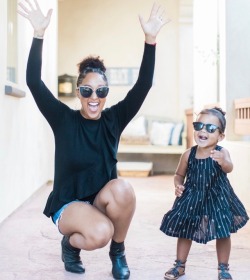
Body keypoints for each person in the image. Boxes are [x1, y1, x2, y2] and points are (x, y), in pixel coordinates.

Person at [18, 0, 168, 279]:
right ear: (78, 92)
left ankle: (118, 252)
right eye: (87, 91)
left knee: (123, 189)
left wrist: (150, 40)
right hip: (68, 205)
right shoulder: (63, 119)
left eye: (101, 91)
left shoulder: (114, 120)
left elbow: (143, 85)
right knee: (100, 233)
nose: (94, 98)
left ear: (107, 92)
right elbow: (33, 83)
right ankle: (70, 244)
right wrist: (38, 35)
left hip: (98, 201)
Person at [160, 107, 249, 280]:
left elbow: (229, 167)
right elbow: (179, 175)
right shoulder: (188, 154)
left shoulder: (222, 152)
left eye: (210, 128)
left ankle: (223, 268)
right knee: (185, 231)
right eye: (199, 125)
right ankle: (180, 265)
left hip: (218, 198)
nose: (203, 131)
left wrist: (223, 161)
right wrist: (178, 185)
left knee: (223, 232)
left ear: (220, 136)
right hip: (192, 198)